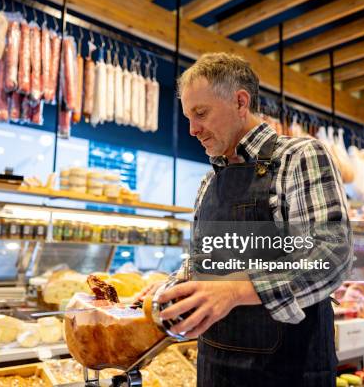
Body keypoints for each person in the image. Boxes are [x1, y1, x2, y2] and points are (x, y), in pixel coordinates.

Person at [137, 53, 352, 387]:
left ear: (240, 101)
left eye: (201, 113)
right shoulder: (210, 182)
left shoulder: (299, 156)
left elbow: (331, 256)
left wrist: (236, 290)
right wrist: (170, 286)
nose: (193, 129)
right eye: (188, 117)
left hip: (287, 372)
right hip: (215, 369)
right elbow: (205, 264)